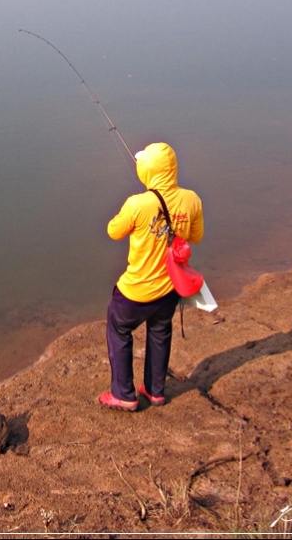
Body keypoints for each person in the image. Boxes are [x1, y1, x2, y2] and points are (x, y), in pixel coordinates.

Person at [98, 142, 204, 411]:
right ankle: (155, 391)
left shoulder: (137, 204)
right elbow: (195, 236)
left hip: (136, 291)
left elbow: (113, 231)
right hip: (170, 289)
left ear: (146, 170)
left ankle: (124, 394)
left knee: (118, 328)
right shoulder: (191, 199)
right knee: (159, 330)